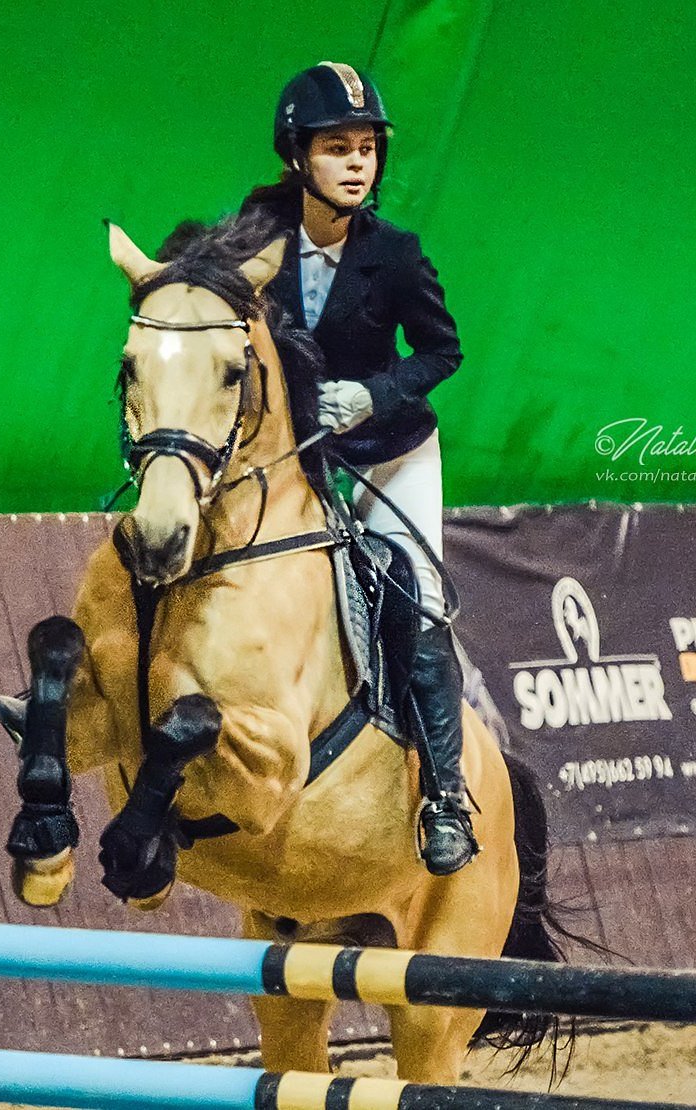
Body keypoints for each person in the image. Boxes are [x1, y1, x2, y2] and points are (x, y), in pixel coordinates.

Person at [241, 61, 478, 875]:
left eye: (368, 149)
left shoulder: (398, 255)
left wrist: (373, 396)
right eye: (337, 147)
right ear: (296, 155)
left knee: (411, 594)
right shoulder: (254, 232)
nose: (357, 164)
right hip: (299, 452)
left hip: (389, 450)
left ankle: (447, 795)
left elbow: (443, 351)